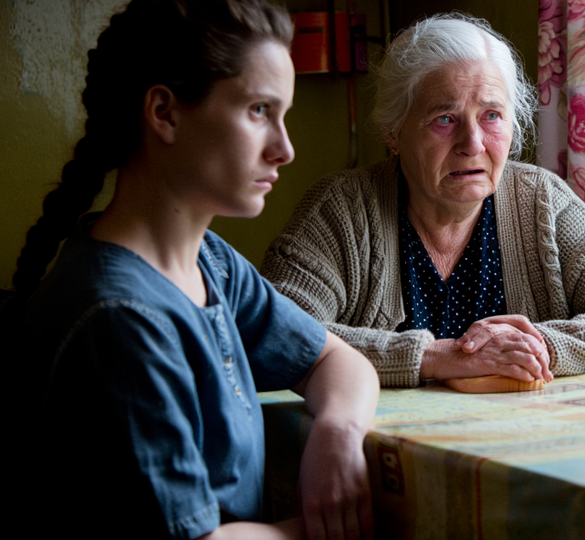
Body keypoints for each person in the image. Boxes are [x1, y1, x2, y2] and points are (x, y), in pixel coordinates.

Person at [5, 1, 380, 538]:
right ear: (165, 112)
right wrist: (367, 522)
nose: (285, 149)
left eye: (284, 115)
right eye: (258, 111)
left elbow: (333, 359)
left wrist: (339, 435)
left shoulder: (210, 262)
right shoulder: (118, 320)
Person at [261, 14, 585, 388]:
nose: (473, 143)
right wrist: (437, 357)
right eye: (444, 119)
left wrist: (537, 346)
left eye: (491, 115)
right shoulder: (343, 210)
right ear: (393, 132)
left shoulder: (540, 202)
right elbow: (273, 332)